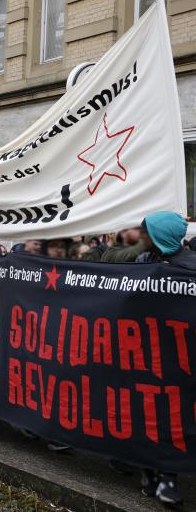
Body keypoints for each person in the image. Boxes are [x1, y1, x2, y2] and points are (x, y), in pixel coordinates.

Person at [132, 211, 192, 506]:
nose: (141, 238)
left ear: (159, 236)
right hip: (145, 354)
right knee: (146, 415)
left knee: (175, 418)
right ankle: (149, 472)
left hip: (180, 358)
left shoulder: (190, 268)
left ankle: (168, 476)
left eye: (146, 233)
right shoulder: (141, 264)